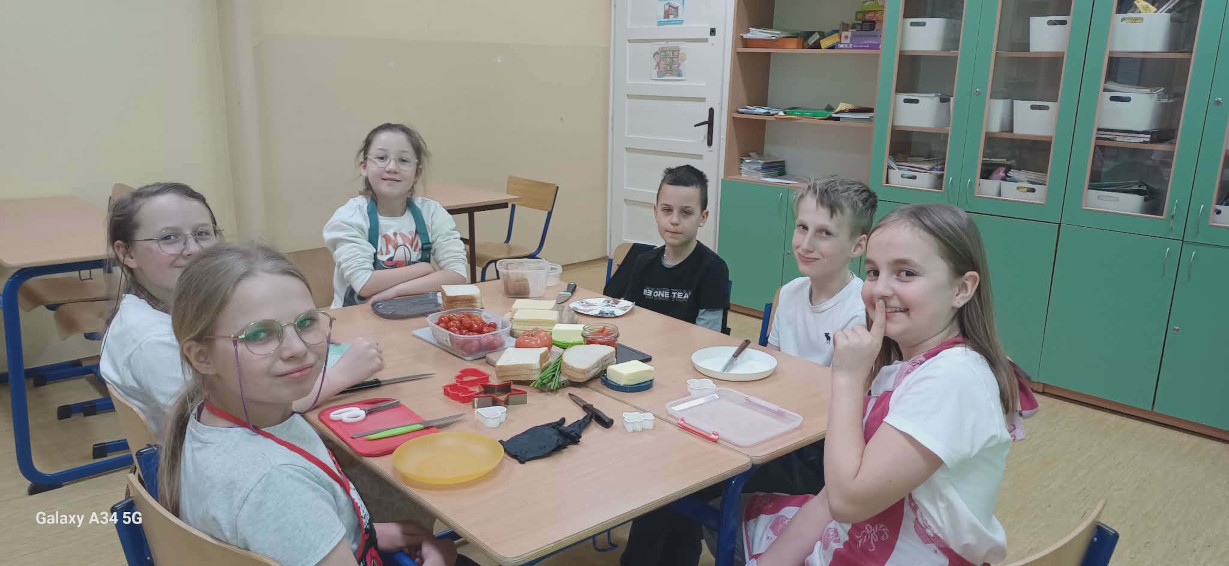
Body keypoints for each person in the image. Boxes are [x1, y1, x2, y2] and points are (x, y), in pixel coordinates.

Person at [738, 204, 1038, 566]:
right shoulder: (914, 365)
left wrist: (847, 378)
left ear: (962, 288)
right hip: (854, 537)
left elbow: (846, 501)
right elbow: (830, 498)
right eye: (874, 272)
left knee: (726, 510)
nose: (880, 289)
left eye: (905, 273)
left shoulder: (953, 379)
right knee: (736, 509)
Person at [159, 243, 466, 566]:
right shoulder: (276, 486)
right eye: (260, 334)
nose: (297, 348)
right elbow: (283, 508)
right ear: (202, 357)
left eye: (306, 323)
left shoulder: (225, 414)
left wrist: (356, 531)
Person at [100, 183, 381, 437]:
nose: (193, 249)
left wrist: (286, 333)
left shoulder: (166, 306)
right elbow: (233, 418)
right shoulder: (151, 340)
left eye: (202, 233)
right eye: (169, 237)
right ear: (127, 253)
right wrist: (341, 375)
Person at [324, 123, 468, 308]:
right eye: (381, 158)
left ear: (417, 172)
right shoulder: (350, 218)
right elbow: (365, 284)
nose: (392, 167)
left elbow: (457, 275)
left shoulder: (432, 213)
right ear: (364, 166)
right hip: (356, 318)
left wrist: (394, 292)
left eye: (404, 160)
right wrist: (423, 268)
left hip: (413, 314)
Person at [604, 165, 729, 332]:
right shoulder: (643, 262)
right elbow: (629, 319)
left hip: (690, 347)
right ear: (656, 212)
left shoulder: (713, 268)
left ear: (702, 217)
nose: (674, 220)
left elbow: (708, 337)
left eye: (686, 212)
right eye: (667, 210)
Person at [768, 177, 877, 366]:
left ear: (857, 246)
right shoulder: (789, 292)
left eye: (825, 233)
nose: (805, 245)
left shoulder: (859, 313)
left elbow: (842, 382)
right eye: (802, 227)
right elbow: (770, 361)